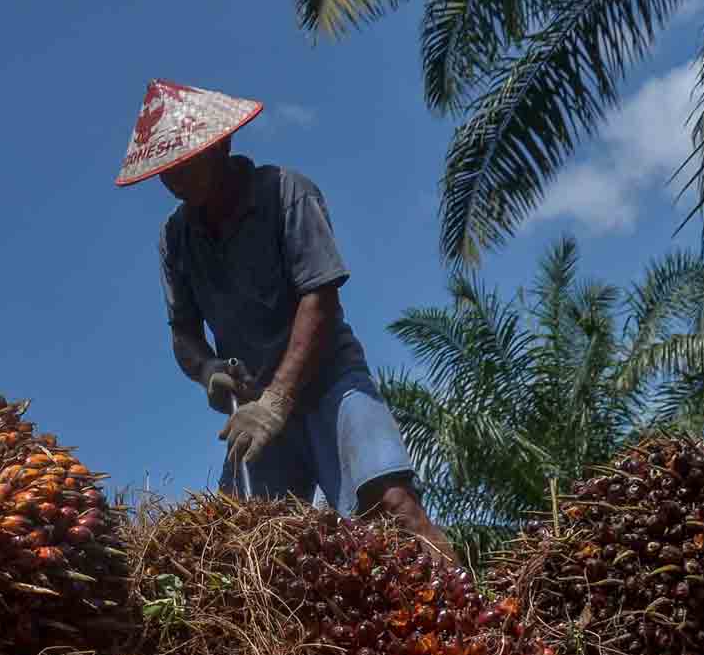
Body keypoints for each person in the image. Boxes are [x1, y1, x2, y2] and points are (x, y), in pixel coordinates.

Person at [113, 78, 458, 564]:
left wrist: (279, 401)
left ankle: (482, 616)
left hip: (328, 383)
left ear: (221, 146)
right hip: (253, 407)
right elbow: (183, 333)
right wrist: (207, 368)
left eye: (185, 164)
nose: (174, 181)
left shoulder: (285, 193)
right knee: (241, 546)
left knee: (392, 506)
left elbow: (320, 298)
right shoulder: (176, 240)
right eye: (166, 172)